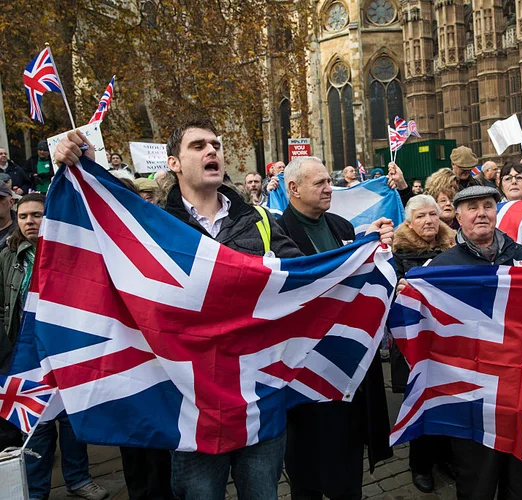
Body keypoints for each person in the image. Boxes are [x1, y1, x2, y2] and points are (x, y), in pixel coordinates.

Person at [54, 118, 302, 500]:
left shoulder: (263, 221)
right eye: (198, 145)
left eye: (215, 144)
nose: (212, 151)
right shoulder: (155, 228)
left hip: (258, 397)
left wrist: (370, 256)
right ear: (173, 163)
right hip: (192, 404)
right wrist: (77, 167)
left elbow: (306, 281)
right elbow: (101, 253)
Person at [400, 185, 522, 500]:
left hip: (518, 389)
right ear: (458, 218)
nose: (481, 213)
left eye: (488, 206)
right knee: (477, 479)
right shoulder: (442, 267)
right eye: (472, 207)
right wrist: (408, 296)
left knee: (521, 482)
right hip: (470, 394)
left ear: (496, 212)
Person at [274, 155, 393, 500]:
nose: (330, 188)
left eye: (330, 181)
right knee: (308, 461)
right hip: (306, 367)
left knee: (347, 457)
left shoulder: (341, 226)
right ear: (293, 189)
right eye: (321, 183)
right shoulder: (280, 233)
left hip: (348, 362)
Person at [0, 194, 109, 500]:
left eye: (36, 215)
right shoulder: (9, 255)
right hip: (26, 351)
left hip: (66, 346)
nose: (29, 222)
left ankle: (77, 478)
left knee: (72, 417)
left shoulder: (69, 250)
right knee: (35, 422)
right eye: (23, 217)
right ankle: (36, 490)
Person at [389, 194, 455, 493]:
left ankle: (445, 457)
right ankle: (420, 464)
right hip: (414, 341)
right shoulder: (395, 253)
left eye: (433, 214)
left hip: (447, 339)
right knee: (420, 401)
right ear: (408, 222)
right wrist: (397, 289)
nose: (429, 221)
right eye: (421, 216)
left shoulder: (454, 246)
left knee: (447, 398)